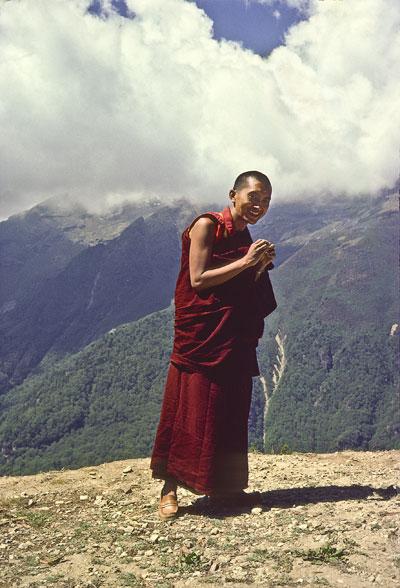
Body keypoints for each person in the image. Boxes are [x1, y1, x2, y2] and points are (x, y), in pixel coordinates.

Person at [150, 171, 277, 519]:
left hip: (232, 334)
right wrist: (247, 262)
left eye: (265, 201)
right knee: (189, 407)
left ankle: (225, 487)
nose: (259, 206)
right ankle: (169, 487)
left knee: (230, 406)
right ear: (233, 195)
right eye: (253, 197)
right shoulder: (206, 226)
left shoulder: (244, 235)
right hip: (201, 337)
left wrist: (257, 269)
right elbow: (198, 279)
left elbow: (236, 284)